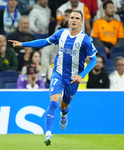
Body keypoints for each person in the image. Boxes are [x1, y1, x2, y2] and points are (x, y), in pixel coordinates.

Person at [9, 10, 97, 146]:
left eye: (77, 18)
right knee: (53, 103)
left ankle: (64, 115)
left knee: (64, 105)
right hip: (58, 74)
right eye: (71, 17)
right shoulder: (61, 33)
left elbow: (93, 60)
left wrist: (81, 75)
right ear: (68, 20)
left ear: (81, 21)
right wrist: (23, 44)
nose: (73, 20)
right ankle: (48, 134)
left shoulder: (85, 39)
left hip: (73, 78)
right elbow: (44, 42)